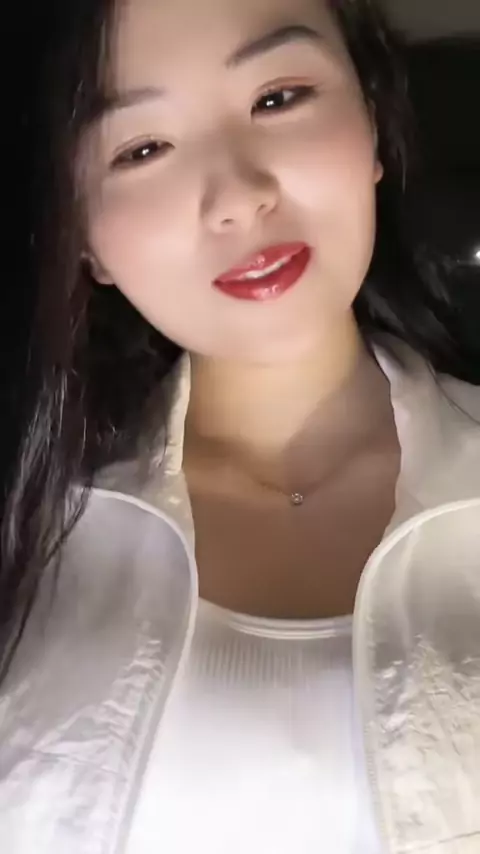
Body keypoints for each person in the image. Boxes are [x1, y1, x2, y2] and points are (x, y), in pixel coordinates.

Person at [1, 0, 480, 851]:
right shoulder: (29, 533)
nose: (238, 197)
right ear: (82, 237)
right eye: (142, 149)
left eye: (278, 98)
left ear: (372, 120)